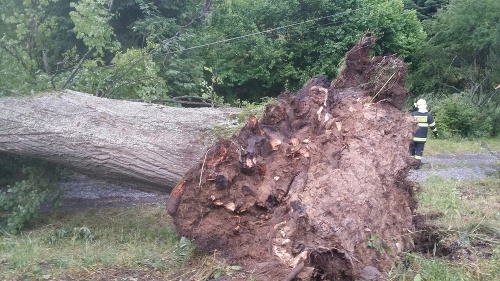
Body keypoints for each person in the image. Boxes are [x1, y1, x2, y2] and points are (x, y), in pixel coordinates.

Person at [410, 99, 438, 165]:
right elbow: (433, 126)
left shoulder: (413, 114)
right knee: (419, 150)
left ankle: (410, 163)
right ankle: (417, 164)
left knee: (411, 150)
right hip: (422, 138)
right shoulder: (428, 115)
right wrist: (436, 134)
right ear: (425, 106)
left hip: (412, 137)